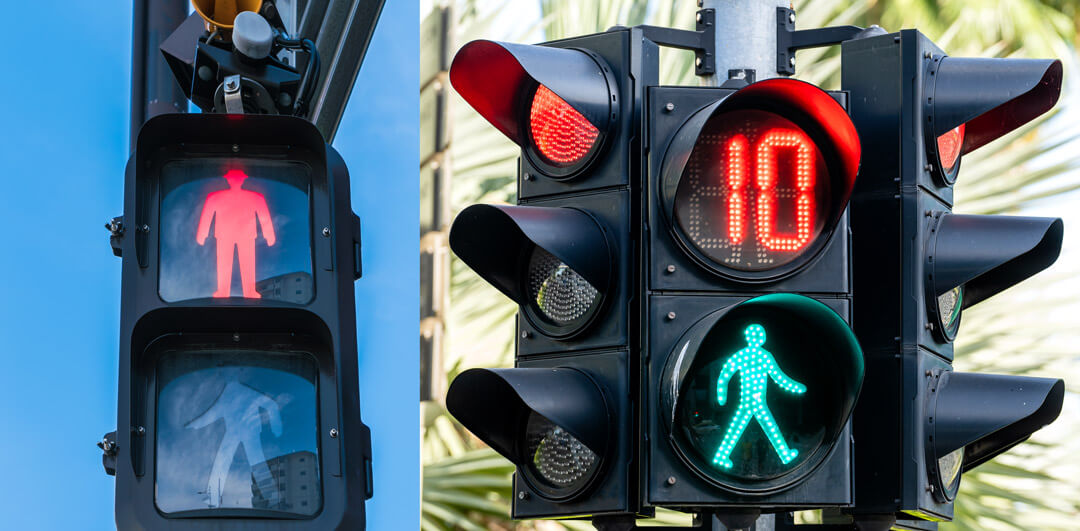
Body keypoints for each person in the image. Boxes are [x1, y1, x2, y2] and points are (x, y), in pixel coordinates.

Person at [713, 323, 806, 469]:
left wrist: (722, 395)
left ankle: (722, 456)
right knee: (768, 428)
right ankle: (784, 454)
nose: (757, 338)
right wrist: (795, 387)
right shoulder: (763, 356)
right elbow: (779, 377)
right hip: (754, 401)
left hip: (752, 401)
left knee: (759, 427)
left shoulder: (745, 355)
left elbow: (725, 375)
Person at [196, 169, 276, 298]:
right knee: (224, 263)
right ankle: (224, 291)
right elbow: (207, 215)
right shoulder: (215, 197)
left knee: (246, 263)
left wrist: (269, 234)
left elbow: (264, 216)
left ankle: (248, 292)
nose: (235, 181)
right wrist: (202, 234)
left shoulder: (255, 198)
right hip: (226, 235)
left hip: (244, 235)